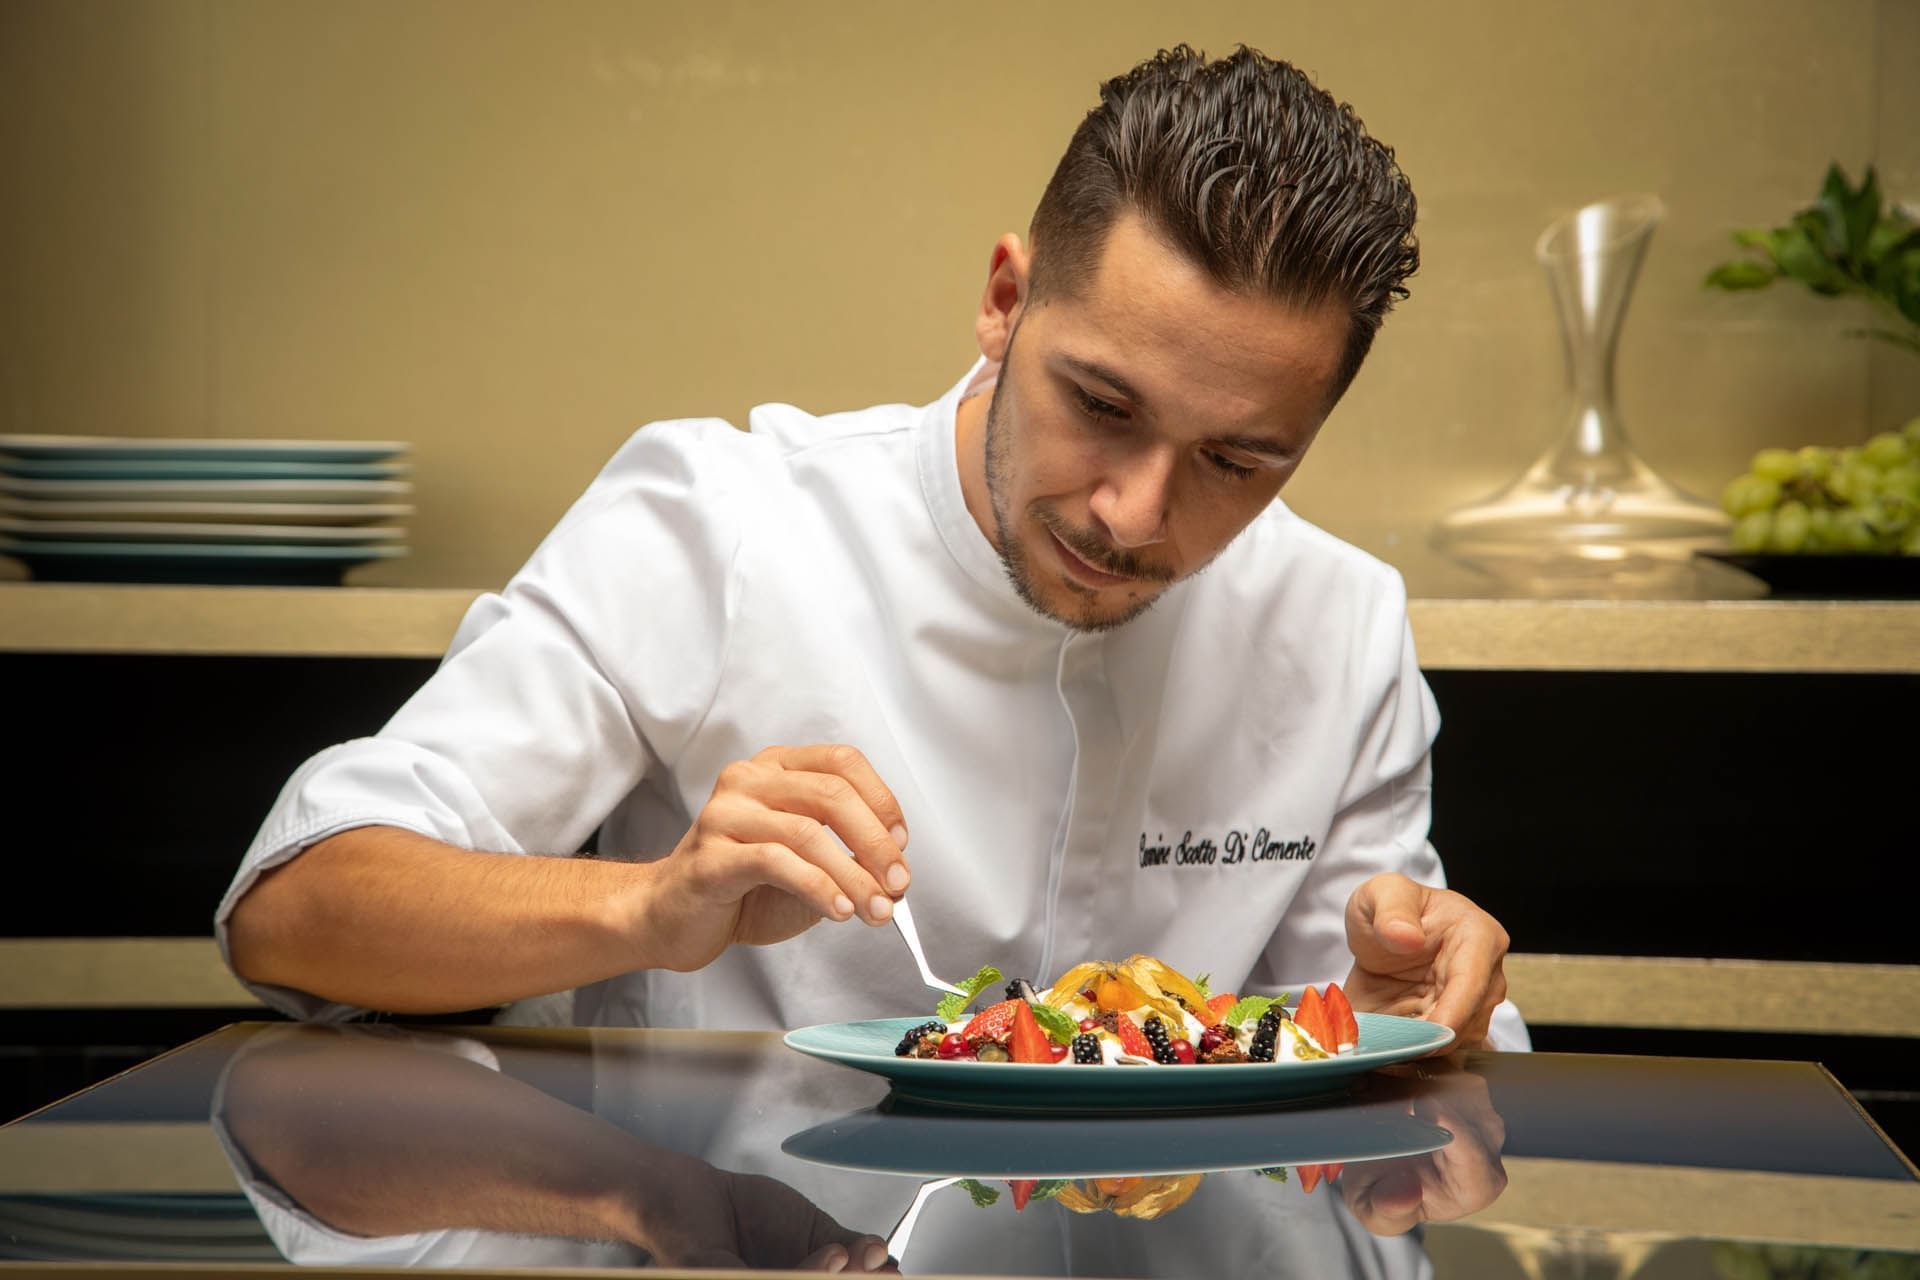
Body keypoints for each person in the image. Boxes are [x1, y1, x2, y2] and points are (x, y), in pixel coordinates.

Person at [221, 43, 1525, 1050]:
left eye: (1237, 462)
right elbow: (296, 911)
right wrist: (647, 909)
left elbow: (1340, 1057)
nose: (1132, 513)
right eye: (1103, 406)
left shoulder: (1339, 623)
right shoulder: (720, 523)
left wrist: (1404, 1001)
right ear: (1005, 302)